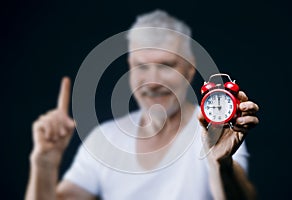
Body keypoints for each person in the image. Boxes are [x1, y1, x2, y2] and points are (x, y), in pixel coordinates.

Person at [25, 10, 259, 200]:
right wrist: (44, 164)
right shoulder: (104, 139)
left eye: (166, 65)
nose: (153, 80)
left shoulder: (217, 131)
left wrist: (220, 163)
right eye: (142, 66)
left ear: (190, 69)